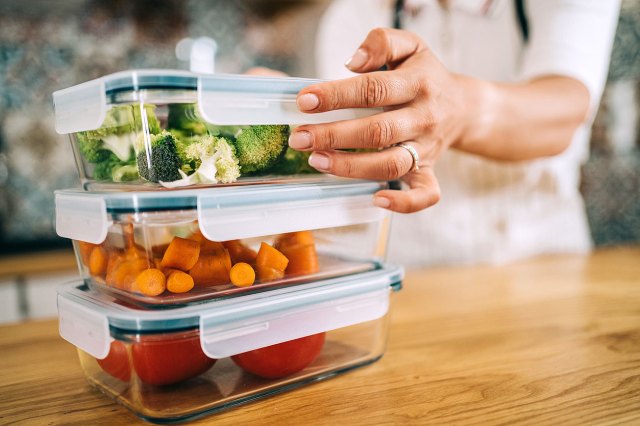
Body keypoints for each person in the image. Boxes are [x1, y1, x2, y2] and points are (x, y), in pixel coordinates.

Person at [285, 0, 620, 267]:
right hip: (413, 273)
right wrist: (287, 123)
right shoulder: (353, 13)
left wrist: (455, 110)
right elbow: (357, 149)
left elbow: (565, 111)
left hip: (547, 265)